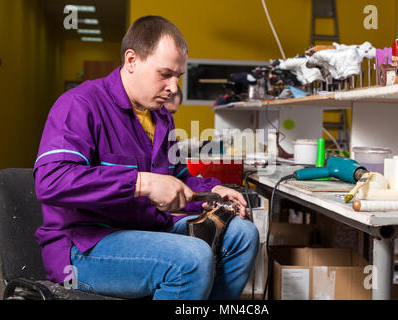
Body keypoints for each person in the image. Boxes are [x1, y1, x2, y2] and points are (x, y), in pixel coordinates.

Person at [33, 15, 259, 300]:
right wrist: (142, 183)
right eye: (165, 74)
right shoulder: (80, 104)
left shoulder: (161, 118)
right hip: (83, 247)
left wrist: (212, 189)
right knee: (192, 259)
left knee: (243, 235)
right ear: (131, 61)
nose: (174, 88)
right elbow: (51, 180)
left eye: (178, 77)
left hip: (148, 231)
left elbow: (176, 177)